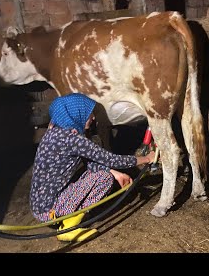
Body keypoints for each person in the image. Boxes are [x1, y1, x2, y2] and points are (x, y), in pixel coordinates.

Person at [30, 93, 155, 242]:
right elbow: (111, 159)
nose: (93, 118)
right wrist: (146, 158)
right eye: (90, 114)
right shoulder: (73, 139)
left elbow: (90, 161)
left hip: (40, 206)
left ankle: (69, 213)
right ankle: (67, 228)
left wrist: (116, 174)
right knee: (104, 179)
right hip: (50, 211)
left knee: (97, 172)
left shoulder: (55, 133)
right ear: (78, 114)